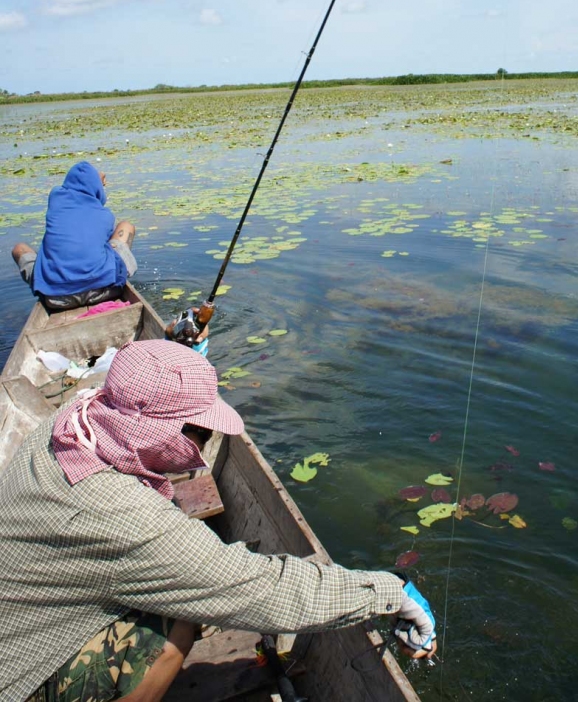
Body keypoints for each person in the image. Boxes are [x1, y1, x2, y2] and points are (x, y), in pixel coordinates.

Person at [0, 340, 435, 702]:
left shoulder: (72, 421)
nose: (206, 443)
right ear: (161, 430)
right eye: (202, 432)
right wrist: (389, 592)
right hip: (17, 680)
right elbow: (261, 591)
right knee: (174, 623)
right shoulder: (120, 515)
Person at [11, 161, 136, 311]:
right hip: (105, 290)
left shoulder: (55, 201)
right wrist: (99, 184)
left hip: (55, 299)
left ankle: (55, 284)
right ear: (97, 187)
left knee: (19, 249)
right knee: (126, 227)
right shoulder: (105, 215)